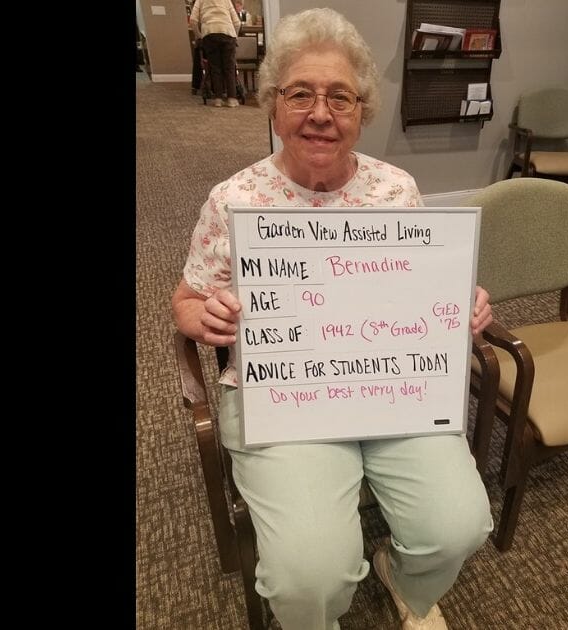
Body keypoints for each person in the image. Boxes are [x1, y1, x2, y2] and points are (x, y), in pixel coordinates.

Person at [172, 8, 494, 630]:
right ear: (272, 103)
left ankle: (403, 579)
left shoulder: (395, 190)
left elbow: (425, 290)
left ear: (361, 110)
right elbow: (185, 297)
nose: (320, 114)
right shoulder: (234, 199)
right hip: (284, 398)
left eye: (339, 98)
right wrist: (200, 315)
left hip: (393, 388)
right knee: (307, 575)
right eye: (300, 94)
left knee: (458, 526)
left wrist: (463, 301)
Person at [190, 0, 242, 107]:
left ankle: (218, 99)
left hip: (210, 34)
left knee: (215, 68)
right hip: (228, 34)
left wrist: (200, 35)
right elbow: (237, 23)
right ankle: (232, 98)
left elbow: (193, 21)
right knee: (230, 68)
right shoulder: (226, 1)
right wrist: (235, 36)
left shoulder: (200, 1)